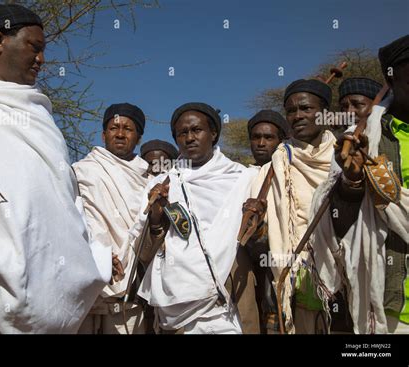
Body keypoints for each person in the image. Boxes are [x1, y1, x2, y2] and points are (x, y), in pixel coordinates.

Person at [0, 4, 110, 334]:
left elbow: (63, 201)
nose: (42, 60)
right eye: (35, 47)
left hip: (44, 285)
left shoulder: (40, 112)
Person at [310, 34, 409, 334]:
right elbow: (335, 224)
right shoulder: (362, 141)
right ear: (391, 81)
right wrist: (351, 183)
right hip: (392, 311)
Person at [133, 102, 259, 334]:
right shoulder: (160, 185)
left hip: (229, 300)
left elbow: (261, 239)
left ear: (213, 133)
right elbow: (143, 254)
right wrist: (156, 218)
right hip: (177, 304)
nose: (189, 138)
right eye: (182, 133)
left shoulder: (244, 178)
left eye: (196, 130)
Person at [242, 79, 336, 333]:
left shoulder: (345, 158)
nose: (298, 116)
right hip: (291, 290)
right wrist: (255, 221)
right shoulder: (275, 165)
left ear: (326, 112)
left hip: (342, 286)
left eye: (305, 109)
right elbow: (259, 241)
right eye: (291, 111)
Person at [73, 102, 151, 334]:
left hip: (131, 292)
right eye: (114, 128)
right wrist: (98, 253)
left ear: (138, 138)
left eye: (128, 129)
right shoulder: (81, 171)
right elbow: (70, 222)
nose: (119, 134)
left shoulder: (149, 180)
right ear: (103, 134)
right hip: (87, 283)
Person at [244, 109, 289, 333]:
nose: (261, 143)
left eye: (269, 137)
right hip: (251, 270)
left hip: (287, 265)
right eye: (256, 137)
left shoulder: (293, 173)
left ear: (281, 141)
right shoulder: (241, 176)